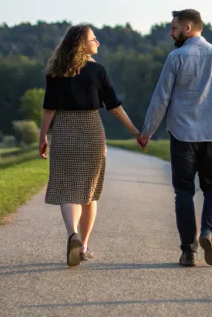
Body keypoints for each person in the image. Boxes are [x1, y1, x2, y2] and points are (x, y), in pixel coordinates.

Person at [138, 9, 212, 267]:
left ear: (188, 28)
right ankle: (209, 232)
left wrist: (147, 131)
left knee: (183, 192)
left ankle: (189, 251)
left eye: (174, 28)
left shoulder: (176, 57)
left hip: (183, 135)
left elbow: (161, 97)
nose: (170, 33)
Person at [39, 25, 140, 267]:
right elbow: (114, 106)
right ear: (81, 44)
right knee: (89, 191)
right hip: (91, 131)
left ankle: (71, 234)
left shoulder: (55, 72)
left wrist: (43, 137)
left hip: (63, 131)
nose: (98, 43)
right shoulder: (98, 71)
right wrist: (136, 131)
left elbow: (49, 109)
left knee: (67, 188)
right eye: (94, 39)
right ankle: (83, 246)